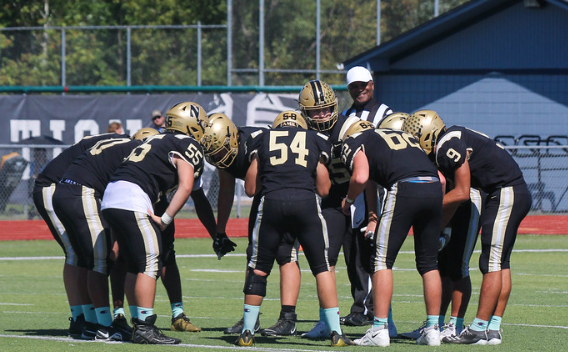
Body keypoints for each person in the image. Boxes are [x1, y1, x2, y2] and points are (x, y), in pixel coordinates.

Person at [402, 110, 532, 345]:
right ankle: (491, 330)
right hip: (505, 190)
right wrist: (442, 224)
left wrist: (429, 209)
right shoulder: (450, 139)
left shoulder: (446, 146)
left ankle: (479, 329)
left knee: (491, 262)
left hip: (505, 190)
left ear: (427, 135)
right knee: (500, 262)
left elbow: (461, 192)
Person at [235, 110, 353, 347]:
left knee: (259, 268)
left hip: (272, 202)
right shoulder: (315, 139)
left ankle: (247, 331)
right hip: (306, 203)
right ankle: (336, 333)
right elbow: (324, 188)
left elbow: (249, 188)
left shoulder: (263, 138)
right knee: (322, 267)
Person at [101, 101, 209, 345]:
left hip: (111, 196)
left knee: (132, 263)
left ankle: (137, 321)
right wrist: (166, 218)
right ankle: (144, 326)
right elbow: (186, 185)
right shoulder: (186, 144)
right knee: (151, 261)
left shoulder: (154, 140)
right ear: (190, 126)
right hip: (133, 197)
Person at [340, 120, 444, 347]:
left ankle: (379, 329)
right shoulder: (398, 138)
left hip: (405, 187)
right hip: (434, 186)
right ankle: (433, 330)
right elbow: (442, 179)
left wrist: (347, 201)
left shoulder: (356, 140)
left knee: (380, 261)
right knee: (429, 263)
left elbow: (360, 177)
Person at [52, 128, 158, 341]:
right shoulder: (135, 152)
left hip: (65, 191)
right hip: (81, 193)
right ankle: (103, 326)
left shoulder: (121, 146)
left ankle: (90, 323)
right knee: (99, 261)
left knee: (86, 260)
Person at [201, 113, 299, 337]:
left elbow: (250, 189)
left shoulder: (256, 143)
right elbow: (226, 190)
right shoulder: (225, 147)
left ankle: (288, 318)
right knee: (253, 255)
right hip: (267, 194)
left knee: (286, 253)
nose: (218, 157)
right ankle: (250, 317)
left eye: (221, 151)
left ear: (232, 139)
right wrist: (220, 230)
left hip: (288, 190)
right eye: (213, 153)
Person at [32, 130, 127, 338]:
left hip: (65, 186)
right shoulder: (127, 148)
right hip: (56, 186)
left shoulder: (115, 142)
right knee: (81, 255)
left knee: (83, 255)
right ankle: (82, 319)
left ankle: (85, 318)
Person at [297, 79, 369, 339]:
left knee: (372, 262)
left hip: (361, 196)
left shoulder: (349, 125)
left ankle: (382, 321)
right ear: (305, 112)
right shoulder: (300, 130)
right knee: (325, 260)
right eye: (316, 111)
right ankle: (327, 320)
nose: (323, 115)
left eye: (327, 109)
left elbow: (370, 163)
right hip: (330, 200)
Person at [340, 66, 397, 334]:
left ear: (372, 84)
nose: (359, 89)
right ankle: (358, 307)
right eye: (354, 86)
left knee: (373, 252)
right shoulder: (345, 116)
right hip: (354, 189)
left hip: (379, 191)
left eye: (363, 85)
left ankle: (375, 309)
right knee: (352, 253)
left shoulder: (386, 114)